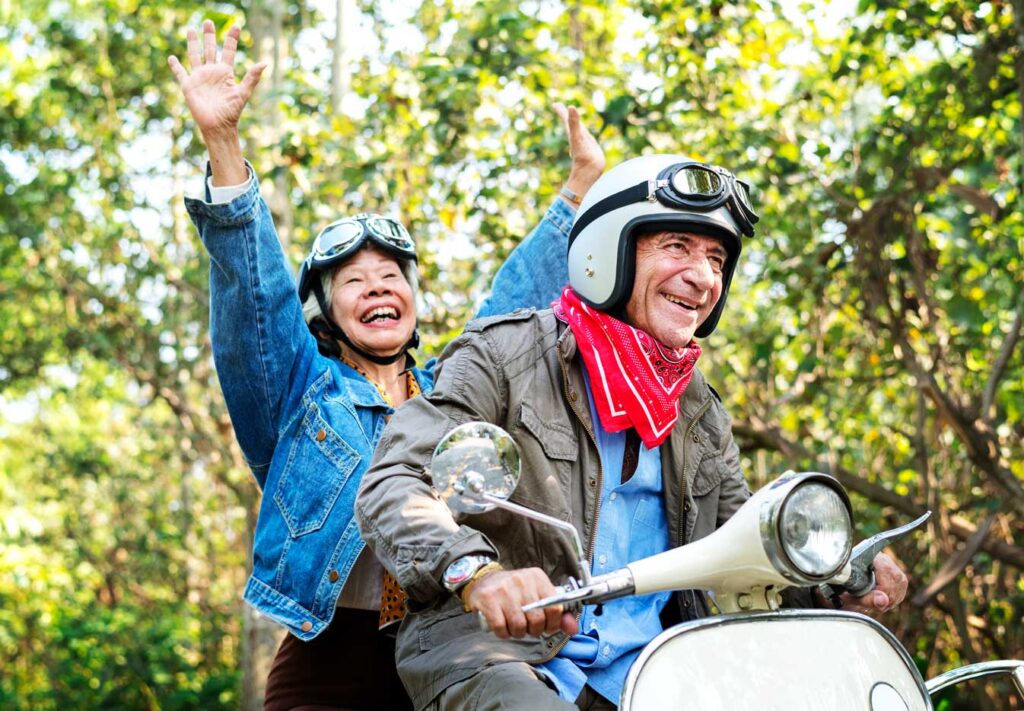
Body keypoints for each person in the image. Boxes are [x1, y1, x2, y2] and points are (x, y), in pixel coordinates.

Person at [355, 154, 910, 710]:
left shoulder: (699, 412)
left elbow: (750, 544)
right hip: (503, 657)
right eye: (678, 248)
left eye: (717, 259)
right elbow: (395, 480)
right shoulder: (504, 354)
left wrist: (839, 575)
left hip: (656, 672)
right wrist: (476, 571)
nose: (703, 277)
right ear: (607, 252)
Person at [168, 20, 605, 711]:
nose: (376, 285)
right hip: (329, 653)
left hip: (453, 639)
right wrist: (223, 146)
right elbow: (256, 298)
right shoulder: (302, 391)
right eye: (353, 279)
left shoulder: (450, 392)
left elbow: (511, 304)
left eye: (391, 274)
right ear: (329, 310)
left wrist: (578, 192)